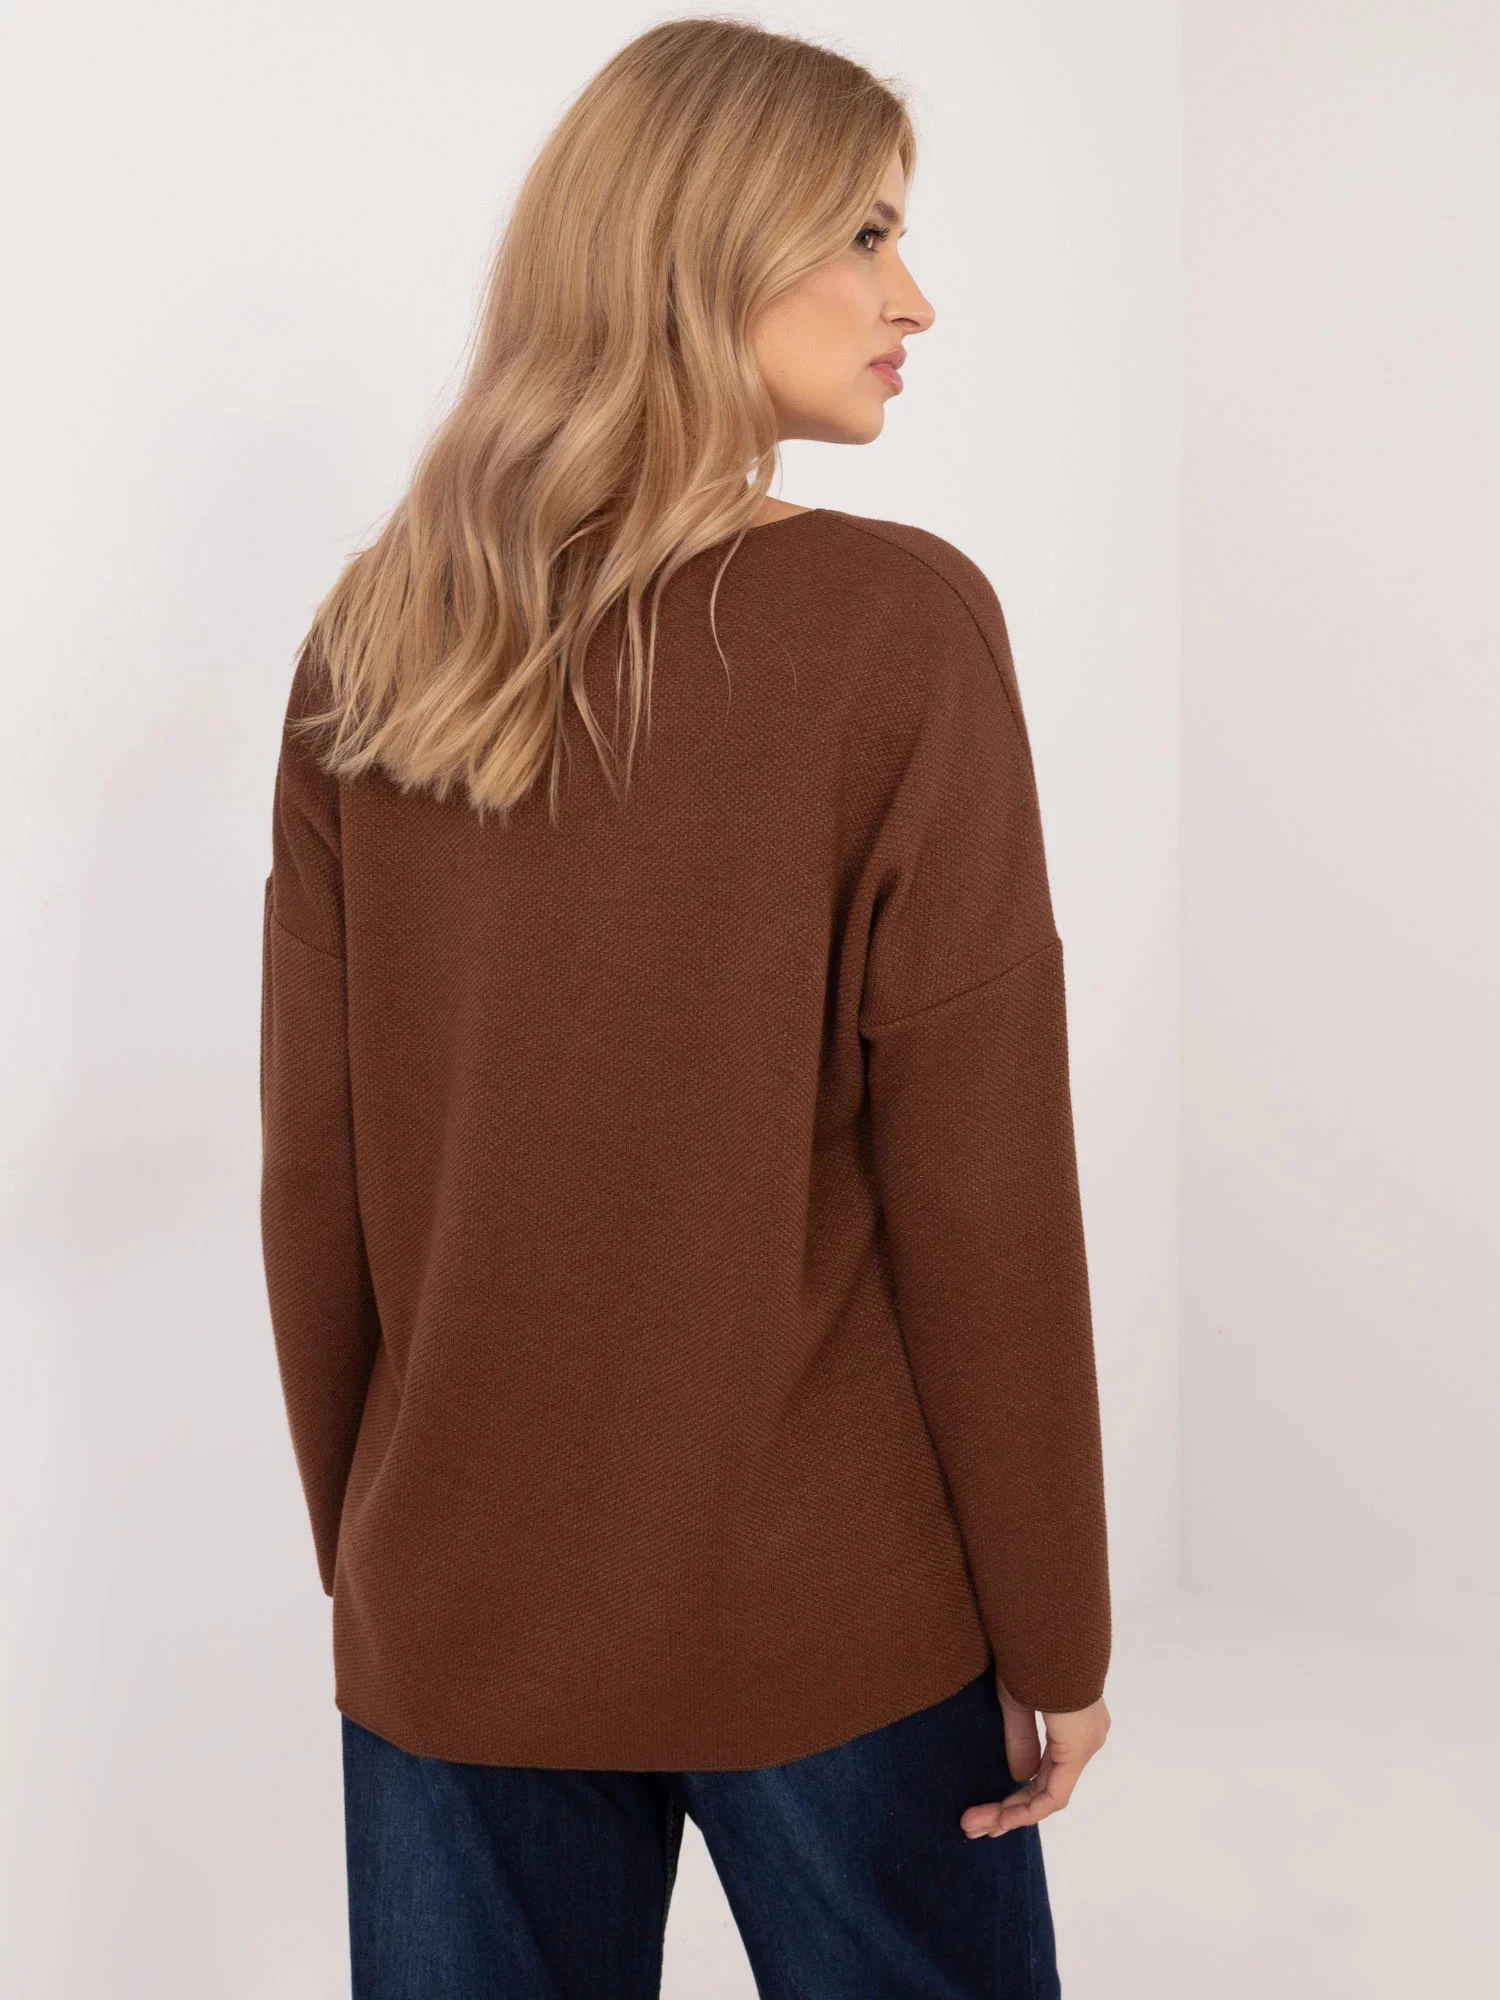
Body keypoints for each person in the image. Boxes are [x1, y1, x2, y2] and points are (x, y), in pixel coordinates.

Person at [259, 17, 1112, 1998]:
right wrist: (1055, 1629)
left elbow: (320, 1175)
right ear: (703, 246)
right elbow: (982, 1191)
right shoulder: (896, 626)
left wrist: (383, 1563)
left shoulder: (376, 638)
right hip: (831, 1616)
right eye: (867, 235)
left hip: (456, 1613)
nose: (915, 299)